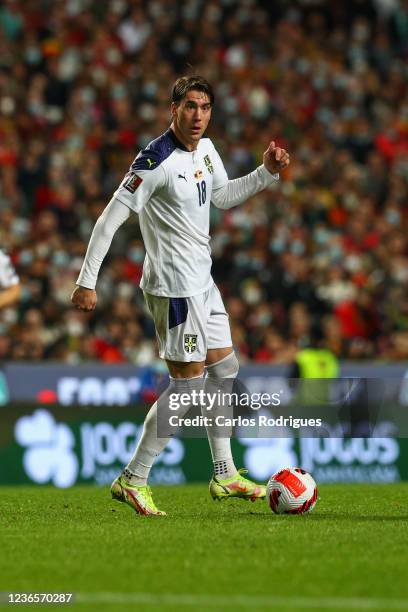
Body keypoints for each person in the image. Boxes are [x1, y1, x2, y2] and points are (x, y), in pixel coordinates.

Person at [71, 75, 290, 516]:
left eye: (205, 107)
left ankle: (225, 473)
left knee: (225, 368)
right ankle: (133, 478)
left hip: (203, 282)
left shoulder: (206, 150)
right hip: (173, 289)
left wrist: (266, 172)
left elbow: (223, 197)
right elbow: (108, 220)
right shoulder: (154, 161)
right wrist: (86, 280)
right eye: (190, 106)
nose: (198, 116)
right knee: (188, 387)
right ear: (173, 108)